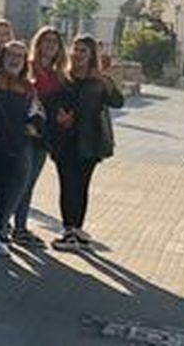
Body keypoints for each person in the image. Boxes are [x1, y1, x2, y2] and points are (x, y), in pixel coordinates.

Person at [45, 35, 125, 250]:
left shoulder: (98, 81)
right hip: (65, 140)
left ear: (91, 55)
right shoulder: (63, 78)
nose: (78, 54)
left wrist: (106, 80)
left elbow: (118, 102)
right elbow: (52, 104)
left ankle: (77, 228)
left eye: (83, 51)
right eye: (76, 49)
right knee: (68, 184)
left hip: (90, 141)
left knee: (81, 186)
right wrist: (58, 115)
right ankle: (68, 229)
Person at [0, 40, 39, 256]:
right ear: (2, 56)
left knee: (0, 193)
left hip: (10, 146)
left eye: (20, 56)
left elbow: (36, 112)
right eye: (11, 55)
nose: (15, 60)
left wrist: (34, 126)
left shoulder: (27, 86)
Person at [12, 27, 67, 245]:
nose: (51, 46)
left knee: (30, 181)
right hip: (26, 132)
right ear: (39, 43)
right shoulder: (28, 68)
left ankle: (20, 226)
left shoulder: (58, 75)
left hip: (45, 135)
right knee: (21, 179)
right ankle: (12, 225)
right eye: (47, 41)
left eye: (55, 42)